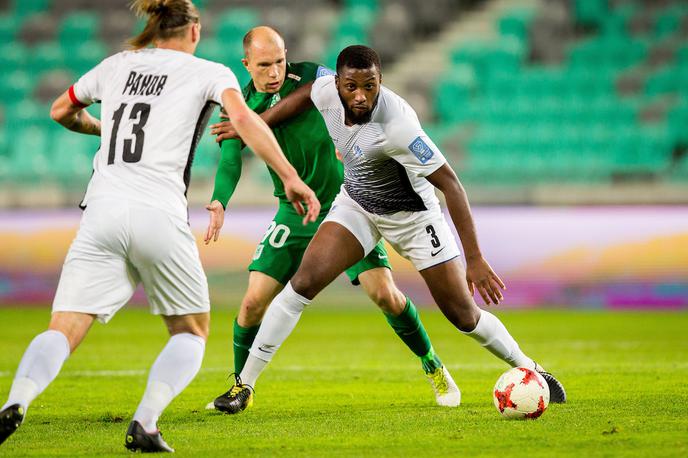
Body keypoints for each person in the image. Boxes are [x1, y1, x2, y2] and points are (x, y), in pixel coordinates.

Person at [0, 1, 319, 453]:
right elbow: (244, 120)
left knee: (64, 326)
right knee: (191, 331)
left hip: (101, 210)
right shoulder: (210, 72)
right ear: (194, 31)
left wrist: (103, 131)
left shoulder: (115, 65)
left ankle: (17, 400)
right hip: (158, 211)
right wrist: (290, 177)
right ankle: (145, 423)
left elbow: (59, 111)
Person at [213, 45, 567, 414]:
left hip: (414, 219)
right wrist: (255, 123)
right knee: (301, 285)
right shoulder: (324, 92)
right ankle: (245, 387)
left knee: (463, 316)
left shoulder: (398, 126)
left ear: (381, 81)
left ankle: (530, 368)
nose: (361, 95)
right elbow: (301, 96)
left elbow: (453, 186)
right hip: (358, 206)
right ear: (337, 83)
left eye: (370, 85)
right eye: (351, 86)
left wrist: (474, 259)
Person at [203, 27, 459, 413]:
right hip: (293, 210)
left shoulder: (315, 76)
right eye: (264, 65)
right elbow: (231, 157)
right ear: (247, 65)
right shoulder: (239, 104)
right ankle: (241, 388)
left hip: (346, 206)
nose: (274, 71)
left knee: (385, 295)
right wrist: (220, 200)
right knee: (253, 301)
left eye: (279, 61)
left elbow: (353, 102)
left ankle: (432, 364)